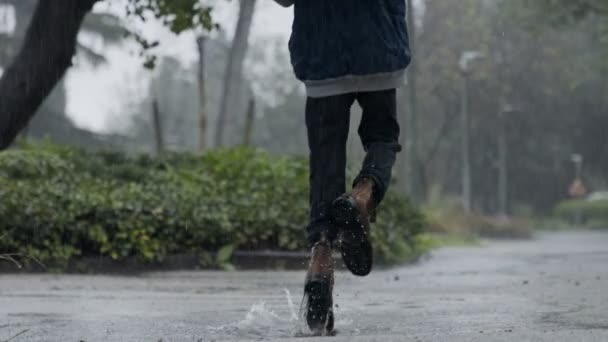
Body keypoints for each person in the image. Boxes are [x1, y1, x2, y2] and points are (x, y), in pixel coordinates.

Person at [274, 0, 412, 334]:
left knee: (325, 165)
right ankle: (362, 197)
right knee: (382, 138)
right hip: (378, 43)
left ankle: (321, 257)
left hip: (323, 50)